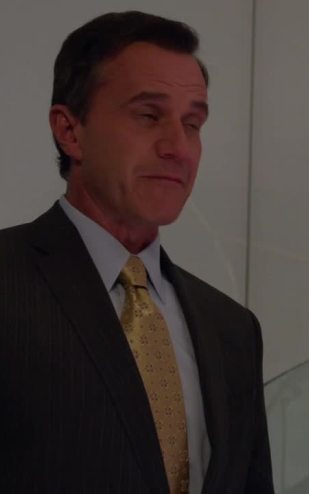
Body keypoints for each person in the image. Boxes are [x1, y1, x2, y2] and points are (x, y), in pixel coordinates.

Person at [0, 11, 274, 493]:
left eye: (193, 123)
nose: (179, 148)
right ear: (70, 130)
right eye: (149, 116)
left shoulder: (233, 330)